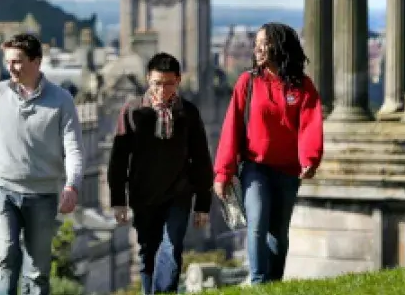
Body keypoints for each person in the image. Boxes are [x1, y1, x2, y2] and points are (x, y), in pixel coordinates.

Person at [0, 33, 85, 295]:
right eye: (8, 61)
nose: (11, 67)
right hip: (4, 190)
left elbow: (74, 149)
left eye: (18, 61)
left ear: (36, 62)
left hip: (43, 195)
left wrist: (72, 186)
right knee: (6, 254)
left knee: (37, 270)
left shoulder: (62, 100)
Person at [213, 22, 324, 285]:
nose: (259, 48)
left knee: (278, 234)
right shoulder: (247, 82)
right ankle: (259, 282)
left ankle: (274, 283)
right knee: (257, 224)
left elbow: (310, 125)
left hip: (287, 170)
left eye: (265, 43)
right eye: (257, 43)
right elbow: (232, 127)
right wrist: (223, 172)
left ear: (280, 46)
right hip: (255, 167)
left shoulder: (302, 86)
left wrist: (310, 158)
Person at [107, 52, 214, 294]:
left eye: (168, 83)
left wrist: (203, 204)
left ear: (178, 80)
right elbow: (118, 159)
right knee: (148, 252)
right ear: (148, 80)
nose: (162, 89)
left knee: (171, 248)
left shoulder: (188, 113)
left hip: (178, 194)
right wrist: (118, 201)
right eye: (157, 83)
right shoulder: (132, 111)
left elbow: (201, 158)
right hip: (143, 196)